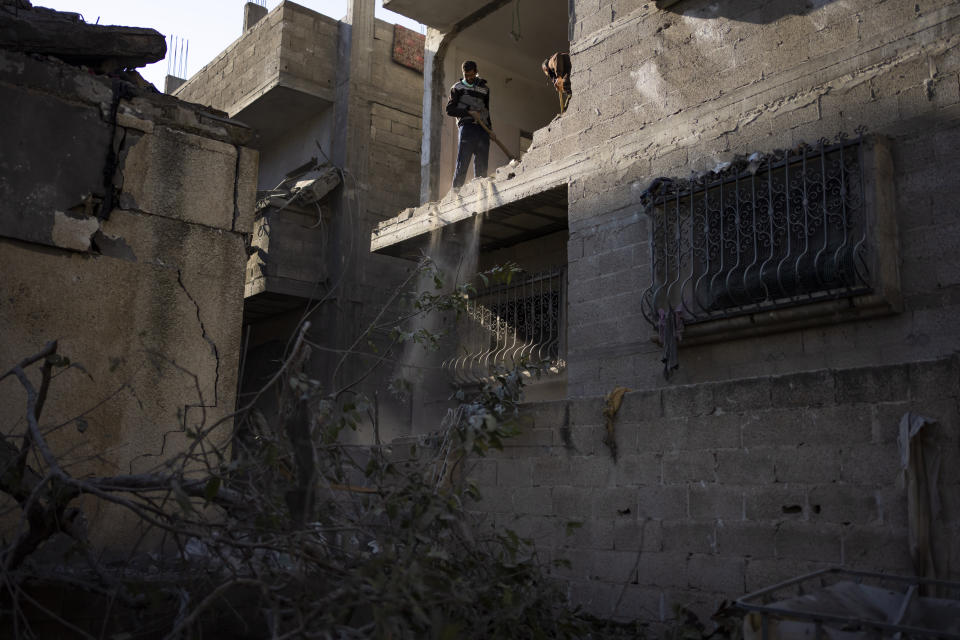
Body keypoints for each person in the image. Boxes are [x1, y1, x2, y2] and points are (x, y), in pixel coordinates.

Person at [446, 60, 491, 189]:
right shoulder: (457, 88)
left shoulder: (485, 89)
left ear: (476, 72)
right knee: (463, 161)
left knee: (482, 164)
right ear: (463, 74)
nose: (469, 78)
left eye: (471, 75)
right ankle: (456, 192)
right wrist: (469, 112)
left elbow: (487, 110)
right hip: (467, 128)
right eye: (466, 76)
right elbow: (449, 110)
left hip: (483, 129)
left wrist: (490, 130)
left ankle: (480, 190)